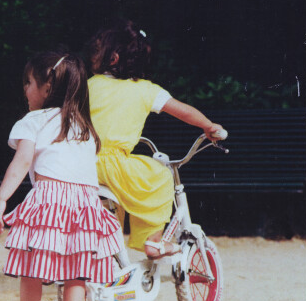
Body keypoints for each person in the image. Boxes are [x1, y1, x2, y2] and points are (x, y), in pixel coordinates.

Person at [0, 51, 124, 301]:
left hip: (49, 201)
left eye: (29, 83)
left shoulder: (33, 121)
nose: (25, 89)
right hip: (86, 204)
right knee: (78, 271)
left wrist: (2, 199)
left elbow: (21, 162)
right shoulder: (84, 126)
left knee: (32, 268)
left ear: (48, 88)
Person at [87, 19, 225, 259]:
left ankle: (107, 256)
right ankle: (152, 242)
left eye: (97, 51)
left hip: (83, 163)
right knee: (160, 175)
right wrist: (208, 126)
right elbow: (183, 111)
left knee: (111, 209)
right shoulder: (146, 90)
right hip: (115, 164)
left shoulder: (88, 85)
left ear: (114, 58)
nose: (92, 56)